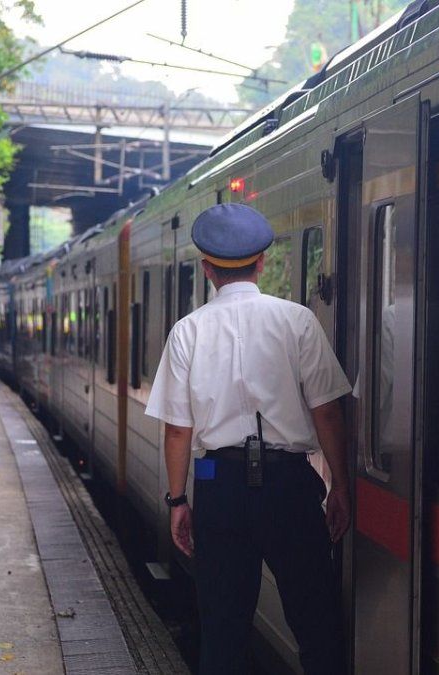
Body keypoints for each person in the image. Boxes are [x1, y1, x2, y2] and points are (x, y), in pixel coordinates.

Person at [145, 204, 352, 675]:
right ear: (261, 262)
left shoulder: (187, 332)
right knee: (316, 623)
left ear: (206, 269)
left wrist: (178, 500)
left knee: (222, 630)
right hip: (291, 489)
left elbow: (178, 429)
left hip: (219, 486)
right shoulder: (298, 321)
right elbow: (328, 411)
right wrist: (340, 485)